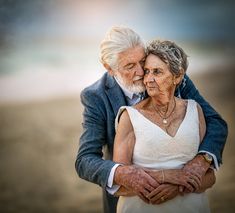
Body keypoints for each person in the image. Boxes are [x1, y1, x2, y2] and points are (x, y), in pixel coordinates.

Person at [75, 26, 228, 213]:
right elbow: (85, 160)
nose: (142, 74)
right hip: (131, 197)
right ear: (109, 68)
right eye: (130, 66)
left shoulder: (171, 76)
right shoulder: (96, 96)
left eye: (142, 61)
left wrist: (201, 161)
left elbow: (216, 122)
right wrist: (125, 173)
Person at [114, 39, 216, 213]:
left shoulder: (194, 110)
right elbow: (120, 183)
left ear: (177, 76)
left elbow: (210, 177)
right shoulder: (130, 116)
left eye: (157, 72)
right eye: (147, 72)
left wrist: (176, 188)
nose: (148, 79)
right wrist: (167, 177)